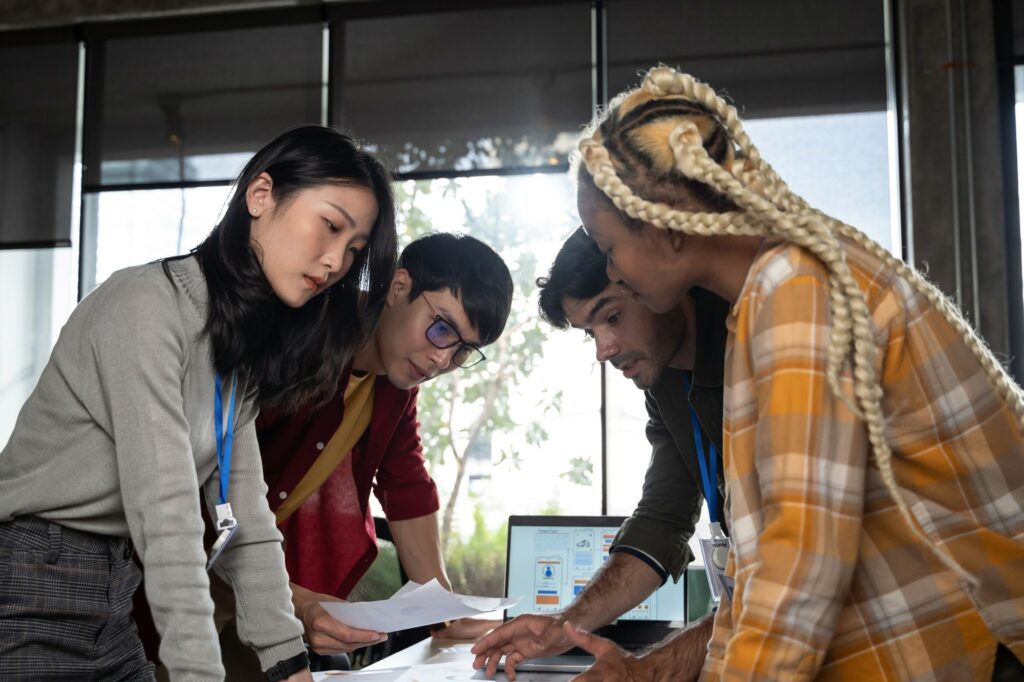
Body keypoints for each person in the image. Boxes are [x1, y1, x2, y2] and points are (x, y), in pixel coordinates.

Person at [565, 65, 1024, 680]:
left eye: (607, 244)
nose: (612, 269)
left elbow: (796, 576)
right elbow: (766, 572)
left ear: (665, 229)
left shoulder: (794, 291)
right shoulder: (771, 294)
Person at [0, 124, 397, 681]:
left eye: (353, 249)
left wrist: (291, 665)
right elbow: (167, 515)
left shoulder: (235, 347)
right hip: (29, 579)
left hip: (113, 588)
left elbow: (250, 524)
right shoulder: (145, 306)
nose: (334, 262)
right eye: (330, 226)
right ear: (261, 196)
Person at [211, 232, 514, 676]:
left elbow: (407, 486)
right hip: (184, 560)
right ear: (398, 287)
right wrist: (298, 602)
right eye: (442, 328)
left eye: (462, 350)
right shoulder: (298, 338)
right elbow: (205, 492)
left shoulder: (396, 386)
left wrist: (445, 611)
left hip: (258, 581)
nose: (440, 360)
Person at [471, 226, 730, 681]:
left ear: (659, 281)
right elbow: (663, 519)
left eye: (611, 316)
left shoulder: (754, 351)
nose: (603, 350)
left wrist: (642, 672)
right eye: (589, 331)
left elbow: (782, 583)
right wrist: (563, 625)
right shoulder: (668, 382)